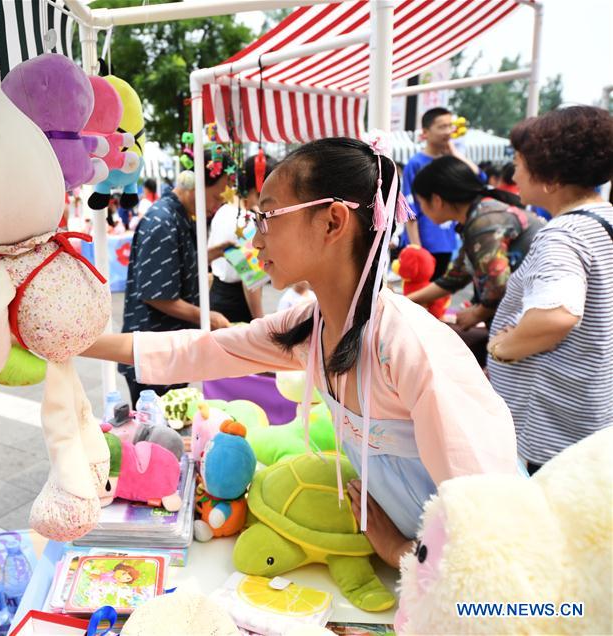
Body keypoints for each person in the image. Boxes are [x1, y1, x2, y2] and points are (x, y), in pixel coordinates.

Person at [86, 137, 518, 568]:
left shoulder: (409, 347)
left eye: (267, 217)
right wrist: (77, 343)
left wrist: (400, 551)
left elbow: (489, 521)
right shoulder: (312, 327)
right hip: (416, 567)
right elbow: (199, 350)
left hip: (465, 577)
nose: (255, 239)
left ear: (332, 222)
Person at [487, 105, 613, 475]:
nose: (514, 174)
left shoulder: (562, 235)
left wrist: (502, 349)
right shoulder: (603, 219)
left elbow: (557, 315)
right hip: (590, 410)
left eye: (519, 163)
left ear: (551, 177)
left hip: (551, 424)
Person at [119, 152, 235, 406]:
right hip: (154, 352)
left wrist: (217, 251)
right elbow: (157, 296)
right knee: (156, 424)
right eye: (216, 197)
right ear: (195, 185)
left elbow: (180, 263)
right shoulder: (163, 221)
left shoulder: (179, 215)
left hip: (167, 349)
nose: (217, 205)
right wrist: (208, 317)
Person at [405, 156, 546, 365]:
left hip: (533, 328)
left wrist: (476, 313)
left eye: (421, 202)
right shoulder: (479, 215)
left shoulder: (484, 221)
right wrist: (405, 301)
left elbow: (498, 285)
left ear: (436, 200)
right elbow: (456, 276)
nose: (420, 209)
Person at [402, 107, 480, 280]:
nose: (448, 131)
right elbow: (409, 208)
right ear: (425, 132)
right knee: (422, 289)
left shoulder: (451, 161)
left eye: (450, 126)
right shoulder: (415, 164)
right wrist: (417, 248)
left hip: (447, 241)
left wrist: (455, 154)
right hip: (425, 241)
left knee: (441, 291)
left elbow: (478, 178)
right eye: (442, 126)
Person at [206, 154, 278, 323]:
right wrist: (260, 320)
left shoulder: (223, 211)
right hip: (238, 304)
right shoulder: (247, 222)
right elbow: (250, 281)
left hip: (216, 295)